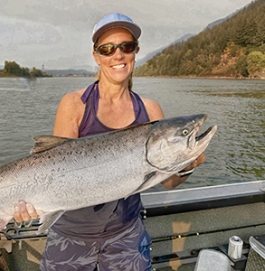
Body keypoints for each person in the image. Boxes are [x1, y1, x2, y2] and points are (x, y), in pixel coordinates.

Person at [13, 12, 206, 271]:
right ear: (96, 56)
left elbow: (169, 180)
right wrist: (27, 202)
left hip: (126, 234)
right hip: (71, 235)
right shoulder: (74, 104)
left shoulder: (150, 110)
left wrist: (188, 164)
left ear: (135, 51)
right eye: (107, 49)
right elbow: (55, 168)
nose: (118, 55)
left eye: (126, 46)